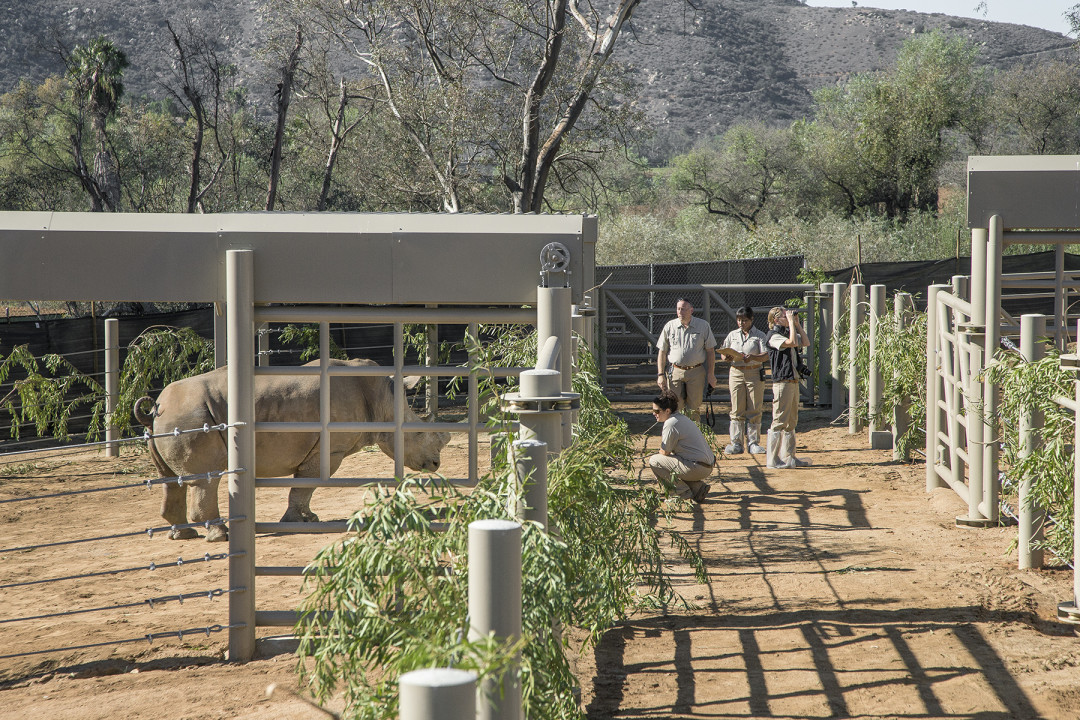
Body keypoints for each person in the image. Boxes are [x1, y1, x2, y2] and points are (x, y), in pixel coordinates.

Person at [765, 306, 811, 469]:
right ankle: (773, 459)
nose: (789, 317)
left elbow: (805, 342)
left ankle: (789, 456)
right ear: (776, 320)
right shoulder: (773, 336)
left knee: (791, 421)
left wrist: (797, 324)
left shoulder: (786, 332)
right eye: (785, 316)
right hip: (782, 382)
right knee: (779, 421)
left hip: (793, 381)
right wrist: (791, 323)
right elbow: (791, 343)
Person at [647, 390, 714, 502]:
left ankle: (680, 492)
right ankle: (697, 488)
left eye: (657, 411)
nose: (654, 413)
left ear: (667, 410)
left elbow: (665, 452)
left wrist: (661, 452)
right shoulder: (680, 418)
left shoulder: (670, 423)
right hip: (705, 466)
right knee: (670, 461)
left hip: (697, 467)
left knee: (655, 461)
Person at [656, 298, 716, 421]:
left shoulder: (703, 326)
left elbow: (710, 351)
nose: (680, 312)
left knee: (694, 408)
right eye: (678, 309)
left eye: (683, 309)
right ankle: (677, 436)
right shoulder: (670, 326)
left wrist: (711, 374)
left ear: (691, 310)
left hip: (696, 371)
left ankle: (693, 437)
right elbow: (662, 351)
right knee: (674, 406)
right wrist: (661, 374)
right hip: (675, 371)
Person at [720, 306, 769, 455]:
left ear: (751, 320)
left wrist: (753, 357)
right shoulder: (732, 335)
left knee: (754, 408)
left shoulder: (759, 335)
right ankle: (736, 442)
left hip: (753, 372)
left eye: (745, 320)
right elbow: (723, 352)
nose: (741, 323)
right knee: (736, 409)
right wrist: (726, 357)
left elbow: (766, 355)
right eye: (739, 320)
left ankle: (753, 442)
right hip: (736, 372)